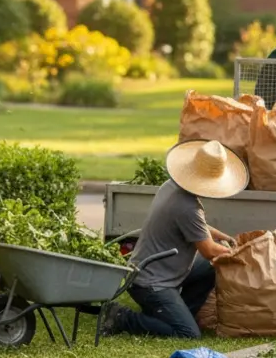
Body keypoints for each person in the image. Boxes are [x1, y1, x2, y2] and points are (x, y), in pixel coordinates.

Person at [105, 140, 246, 339]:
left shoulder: (171, 187)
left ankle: (177, 312)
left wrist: (222, 237)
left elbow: (197, 226)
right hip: (150, 284)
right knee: (188, 333)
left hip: (148, 271)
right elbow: (209, 250)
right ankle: (122, 317)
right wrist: (240, 253)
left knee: (210, 267)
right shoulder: (187, 207)